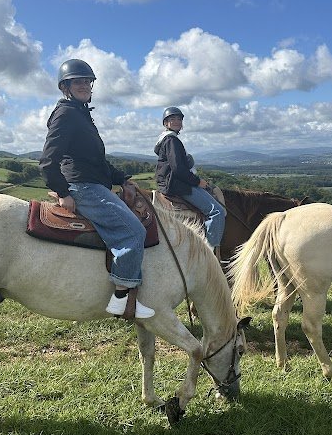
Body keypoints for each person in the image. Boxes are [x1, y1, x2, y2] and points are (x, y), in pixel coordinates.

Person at [39, 59, 154, 319]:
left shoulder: (81, 113)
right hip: (83, 186)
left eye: (86, 81)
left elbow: (97, 162)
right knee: (133, 232)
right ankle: (121, 299)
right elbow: (48, 160)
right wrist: (63, 192)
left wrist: (122, 179)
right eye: (76, 81)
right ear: (65, 87)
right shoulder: (66, 114)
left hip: (91, 181)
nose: (83, 85)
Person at [154, 106, 226, 250]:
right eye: (172, 119)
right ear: (165, 123)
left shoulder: (167, 139)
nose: (176, 121)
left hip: (172, 182)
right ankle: (210, 252)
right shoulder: (171, 140)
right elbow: (179, 169)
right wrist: (198, 182)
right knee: (217, 211)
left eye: (178, 119)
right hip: (176, 185)